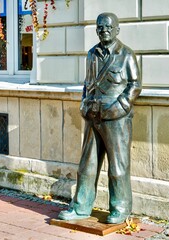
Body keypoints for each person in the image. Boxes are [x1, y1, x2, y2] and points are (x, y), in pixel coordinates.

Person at [58, 12, 142, 224]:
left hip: (116, 117)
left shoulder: (126, 54)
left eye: (107, 27)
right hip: (92, 115)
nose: (103, 31)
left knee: (118, 166)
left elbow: (135, 85)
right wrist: (83, 104)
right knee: (87, 165)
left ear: (116, 30)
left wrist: (119, 107)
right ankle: (80, 207)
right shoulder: (91, 54)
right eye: (100, 28)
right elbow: (87, 84)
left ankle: (120, 209)